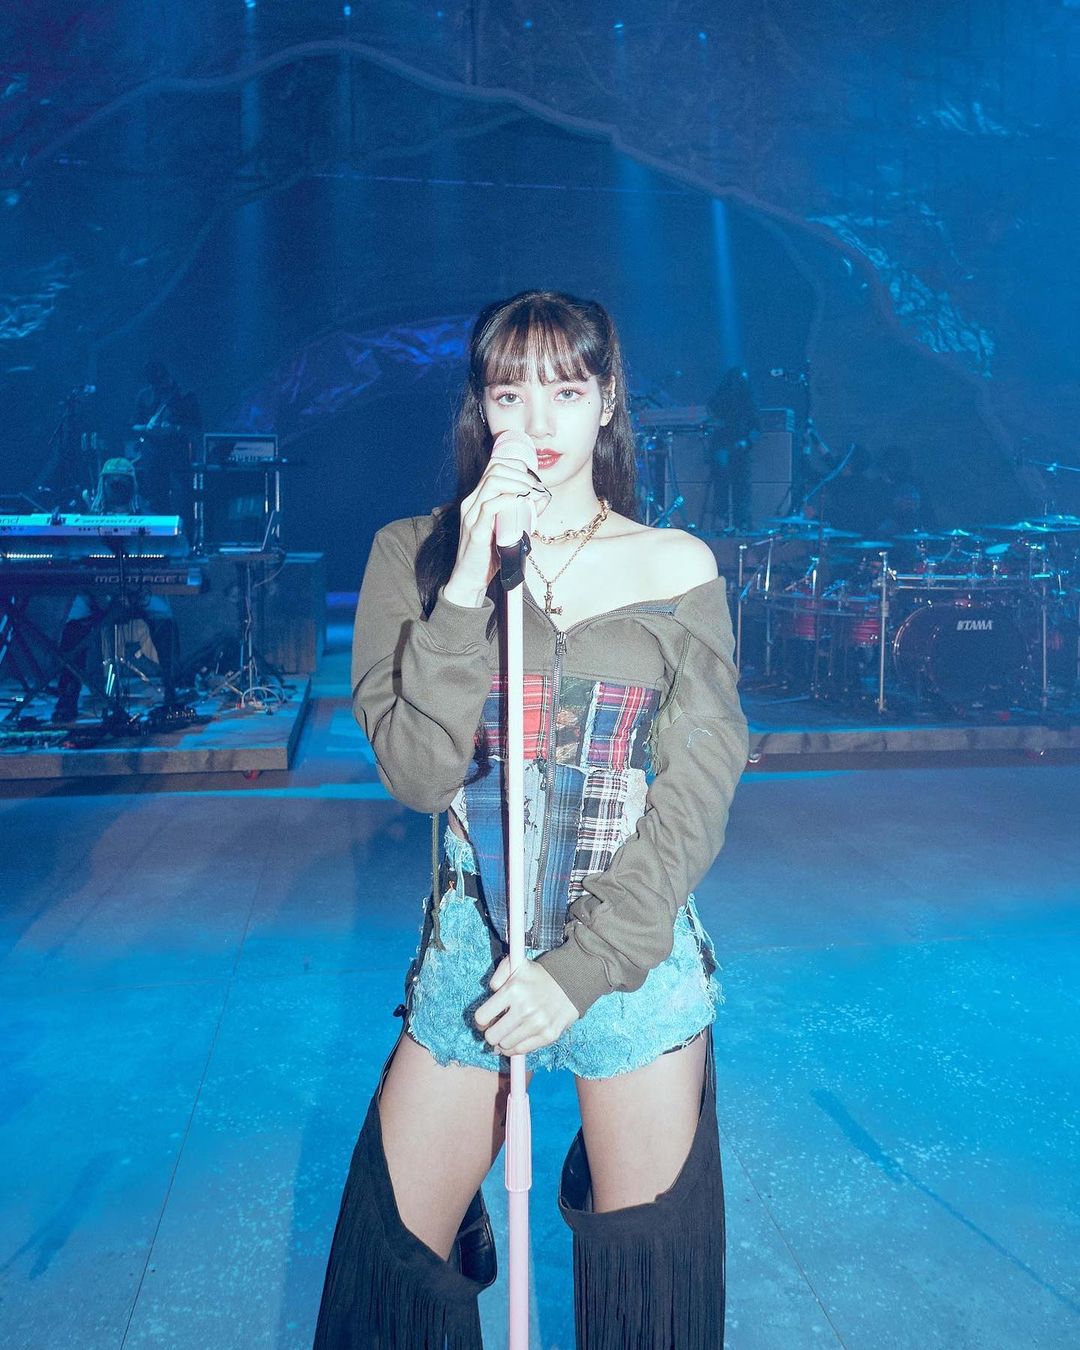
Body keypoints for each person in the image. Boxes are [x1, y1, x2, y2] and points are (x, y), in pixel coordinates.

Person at [312, 291, 748, 1348]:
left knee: (647, 1294)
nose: (538, 422)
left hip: (630, 954)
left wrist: (579, 970)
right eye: (510, 395)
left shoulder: (676, 564)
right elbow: (420, 775)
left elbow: (696, 795)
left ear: (609, 400)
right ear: (482, 408)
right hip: (474, 958)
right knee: (391, 1271)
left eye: (565, 391)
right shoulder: (411, 555)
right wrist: (469, 577)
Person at [51, 458, 180, 723]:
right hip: (93, 590)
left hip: (137, 589)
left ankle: (171, 693)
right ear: (103, 484)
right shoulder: (86, 518)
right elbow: (72, 552)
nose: (118, 486)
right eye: (113, 482)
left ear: (133, 484)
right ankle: (67, 698)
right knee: (73, 627)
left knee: (165, 621)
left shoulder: (146, 517)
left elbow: (175, 547)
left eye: (123, 481)